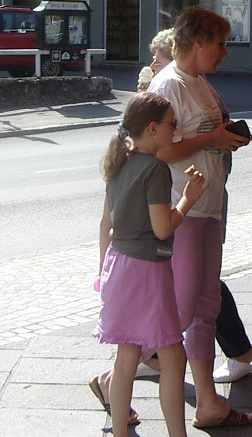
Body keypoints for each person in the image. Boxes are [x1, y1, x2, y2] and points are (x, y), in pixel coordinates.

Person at [148, 7, 252, 428]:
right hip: (183, 209)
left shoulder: (199, 83)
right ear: (197, 42)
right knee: (182, 309)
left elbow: (204, 137)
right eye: (220, 43)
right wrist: (213, 137)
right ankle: (116, 373)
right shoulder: (168, 85)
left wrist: (223, 138)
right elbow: (158, 151)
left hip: (208, 207)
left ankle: (208, 401)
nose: (225, 52)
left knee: (206, 306)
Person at [90, 92, 209, 436]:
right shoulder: (155, 169)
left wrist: (102, 274)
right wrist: (187, 199)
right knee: (173, 356)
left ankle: (120, 432)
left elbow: (105, 224)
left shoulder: (118, 163)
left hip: (118, 265)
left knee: (127, 355)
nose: (176, 129)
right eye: (172, 123)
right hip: (147, 270)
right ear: (153, 128)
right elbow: (162, 229)